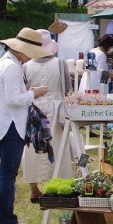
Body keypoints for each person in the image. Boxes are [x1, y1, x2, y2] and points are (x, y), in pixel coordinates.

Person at [0, 28, 50, 224]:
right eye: (30, 51)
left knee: (5, 173)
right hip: (9, 125)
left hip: (4, 123)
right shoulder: (11, 67)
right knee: (8, 174)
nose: (30, 57)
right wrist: (33, 94)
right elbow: (13, 99)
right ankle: (7, 221)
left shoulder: (4, 63)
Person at [22, 29, 73, 203]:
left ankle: (34, 189)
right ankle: (59, 184)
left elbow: (24, 89)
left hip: (33, 110)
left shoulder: (26, 66)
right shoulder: (60, 63)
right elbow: (68, 89)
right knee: (57, 146)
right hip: (55, 108)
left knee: (32, 148)